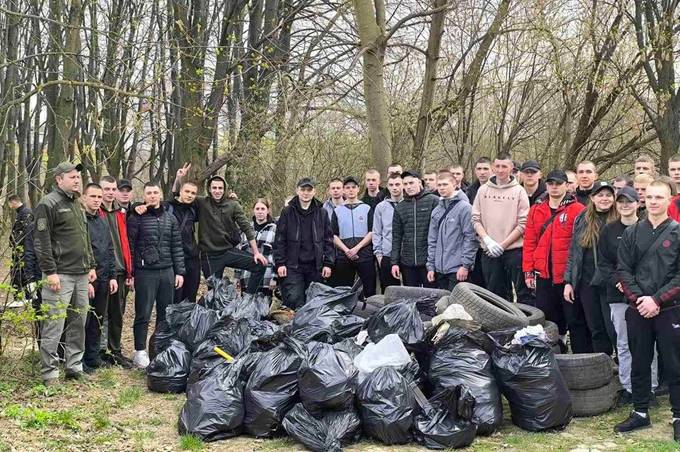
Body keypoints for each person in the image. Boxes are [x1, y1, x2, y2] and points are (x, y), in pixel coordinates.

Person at [613, 181, 680, 441]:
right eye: (649, 197)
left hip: (670, 309)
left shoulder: (677, 233)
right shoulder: (632, 233)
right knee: (639, 362)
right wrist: (640, 299)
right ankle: (640, 412)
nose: (653, 201)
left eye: (659, 197)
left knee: (675, 364)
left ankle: (678, 416)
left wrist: (657, 300)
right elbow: (623, 269)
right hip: (637, 308)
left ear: (669, 200)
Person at [34, 162, 97, 385]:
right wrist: (50, 271)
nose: (77, 180)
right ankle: (50, 373)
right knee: (54, 323)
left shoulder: (76, 203)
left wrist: (90, 265)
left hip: (80, 274)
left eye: (78, 177)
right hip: (59, 275)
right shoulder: (48, 203)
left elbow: (84, 237)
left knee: (78, 322)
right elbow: (41, 242)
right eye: (72, 177)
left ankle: (74, 367)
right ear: (59, 179)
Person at [598, 186, 658, 407]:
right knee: (623, 343)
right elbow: (603, 264)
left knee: (647, 343)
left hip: (644, 296)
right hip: (618, 295)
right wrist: (619, 282)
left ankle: (649, 388)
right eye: (621, 201)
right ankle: (627, 387)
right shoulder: (609, 230)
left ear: (638, 203)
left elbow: (654, 264)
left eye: (629, 201)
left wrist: (639, 287)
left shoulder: (648, 228)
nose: (625, 205)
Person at [173, 163, 268, 292]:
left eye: (220, 188)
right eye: (214, 188)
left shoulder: (233, 205)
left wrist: (256, 253)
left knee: (260, 264)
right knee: (215, 293)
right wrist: (179, 179)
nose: (217, 191)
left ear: (225, 189)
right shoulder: (201, 202)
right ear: (210, 189)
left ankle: (248, 298)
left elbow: (247, 228)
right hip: (209, 256)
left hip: (227, 251)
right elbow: (179, 197)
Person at [523, 170, 585, 353]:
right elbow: (529, 241)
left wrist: (574, 277)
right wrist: (528, 271)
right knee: (548, 319)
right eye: (551, 183)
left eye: (558, 183)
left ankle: (581, 359)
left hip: (567, 277)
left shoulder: (578, 210)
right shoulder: (536, 209)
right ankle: (553, 356)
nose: (554, 187)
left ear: (567, 185)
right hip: (543, 274)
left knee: (574, 320)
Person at [127, 182, 185, 369]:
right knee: (143, 313)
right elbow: (131, 246)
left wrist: (180, 272)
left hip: (167, 271)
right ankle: (139, 351)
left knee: (164, 313)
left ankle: (159, 348)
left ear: (160, 195)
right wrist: (132, 273)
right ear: (143, 196)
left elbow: (176, 246)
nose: (152, 196)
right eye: (149, 193)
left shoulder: (170, 219)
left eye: (155, 192)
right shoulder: (136, 218)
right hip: (145, 273)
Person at [564, 181, 617, 355]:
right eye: (600, 195)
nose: (604, 198)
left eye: (608, 195)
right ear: (592, 198)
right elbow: (574, 252)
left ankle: (621, 362)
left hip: (612, 283)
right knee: (596, 327)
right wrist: (569, 282)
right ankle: (603, 363)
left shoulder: (619, 218)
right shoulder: (582, 219)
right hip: (587, 281)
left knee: (613, 328)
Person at [472, 153, 532, 304]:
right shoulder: (483, 190)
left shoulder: (519, 191)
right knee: (495, 295)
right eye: (497, 166)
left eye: (504, 166)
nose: (500, 170)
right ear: (493, 167)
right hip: (489, 251)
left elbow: (523, 223)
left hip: (514, 251)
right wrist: (487, 240)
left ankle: (524, 324)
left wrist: (503, 245)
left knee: (522, 293)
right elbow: (475, 219)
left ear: (511, 168)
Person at [274, 178, 334, 309]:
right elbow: (280, 240)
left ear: (314, 191)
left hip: (315, 266)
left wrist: (328, 264)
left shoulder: (322, 213)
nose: (306, 193)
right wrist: (280, 263)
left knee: (314, 304)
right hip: (293, 266)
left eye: (309, 190)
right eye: (303, 189)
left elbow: (328, 240)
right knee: (294, 300)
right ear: (297, 191)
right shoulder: (287, 212)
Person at [81, 184, 118, 373]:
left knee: (98, 319)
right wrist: (86, 279)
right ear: (84, 197)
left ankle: (93, 357)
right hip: (87, 278)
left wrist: (112, 276)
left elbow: (110, 249)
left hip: (104, 277)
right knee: (83, 320)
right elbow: (80, 251)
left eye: (99, 196)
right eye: (93, 196)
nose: (96, 200)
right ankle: (80, 360)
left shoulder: (102, 221)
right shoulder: (80, 221)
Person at [98, 176, 133, 367]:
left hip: (121, 271)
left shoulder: (122, 213)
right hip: (103, 272)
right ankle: (100, 351)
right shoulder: (96, 213)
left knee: (117, 313)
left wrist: (129, 273)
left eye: (113, 189)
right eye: (107, 189)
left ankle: (115, 349)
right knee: (101, 314)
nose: (110, 192)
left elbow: (126, 243)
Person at [426, 172, 477, 290]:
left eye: (445, 184)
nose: (442, 188)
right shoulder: (436, 211)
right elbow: (432, 241)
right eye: (439, 185)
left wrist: (465, 265)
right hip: (439, 269)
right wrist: (431, 266)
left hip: (457, 269)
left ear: (454, 185)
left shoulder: (464, 208)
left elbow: (470, 238)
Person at [391, 170, 440, 287]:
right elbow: (396, 237)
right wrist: (394, 262)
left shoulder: (434, 201)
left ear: (419, 182)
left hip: (429, 262)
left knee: (431, 297)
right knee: (411, 298)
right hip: (407, 262)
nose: (409, 186)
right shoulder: (400, 207)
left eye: (411, 183)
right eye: (405, 184)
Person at [331, 176, 376, 296]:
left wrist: (357, 248)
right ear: (343, 190)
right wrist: (346, 250)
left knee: (369, 289)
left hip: (364, 254)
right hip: (344, 256)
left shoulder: (366, 208)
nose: (350, 190)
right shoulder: (337, 211)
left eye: (353, 187)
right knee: (343, 290)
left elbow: (372, 232)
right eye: (347, 188)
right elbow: (333, 235)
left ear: (358, 189)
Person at [167, 181, 200, 303]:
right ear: (180, 192)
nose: (190, 195)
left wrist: (231, 200)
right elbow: (147, 204)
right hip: (173, 259)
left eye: (193, 193)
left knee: (190, 298)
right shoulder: (168, 207)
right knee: (175, 298)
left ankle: (187, 322)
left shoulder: (194, 210)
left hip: (192, 259)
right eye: (187, 191)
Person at [236, 198, 277, 296]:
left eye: (263, 209)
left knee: (262, 310)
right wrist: (237, 277)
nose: (260, 212)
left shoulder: (275, 229)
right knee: (246, 309)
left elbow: (277, 255)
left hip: (266, 280)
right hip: (246, 278)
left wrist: (275, 277)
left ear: (267, 210)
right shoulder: (246, 229)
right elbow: (239, 253)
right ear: (253, 210)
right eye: (257, 209)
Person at [372, 172, 403, 290]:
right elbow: (377, 232)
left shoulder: (408, 204)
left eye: (397, 184)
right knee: (390, 291)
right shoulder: (381, 207)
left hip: (406, 255)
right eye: (391, 185)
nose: (394, 187)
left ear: (402, 185)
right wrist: (379, 255)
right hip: (387, 254)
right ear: (387, 187)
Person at [8, 195, 40, 300]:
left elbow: (27, 234)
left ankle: (27, 297)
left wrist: (18, 245)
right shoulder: (20, 213)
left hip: (22, 251)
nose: (9, 206)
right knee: (16, 273)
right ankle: (19, 298)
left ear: (13, 202)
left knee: (21, 273)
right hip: (18, 250)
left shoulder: (26, 213)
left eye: (9, 204)